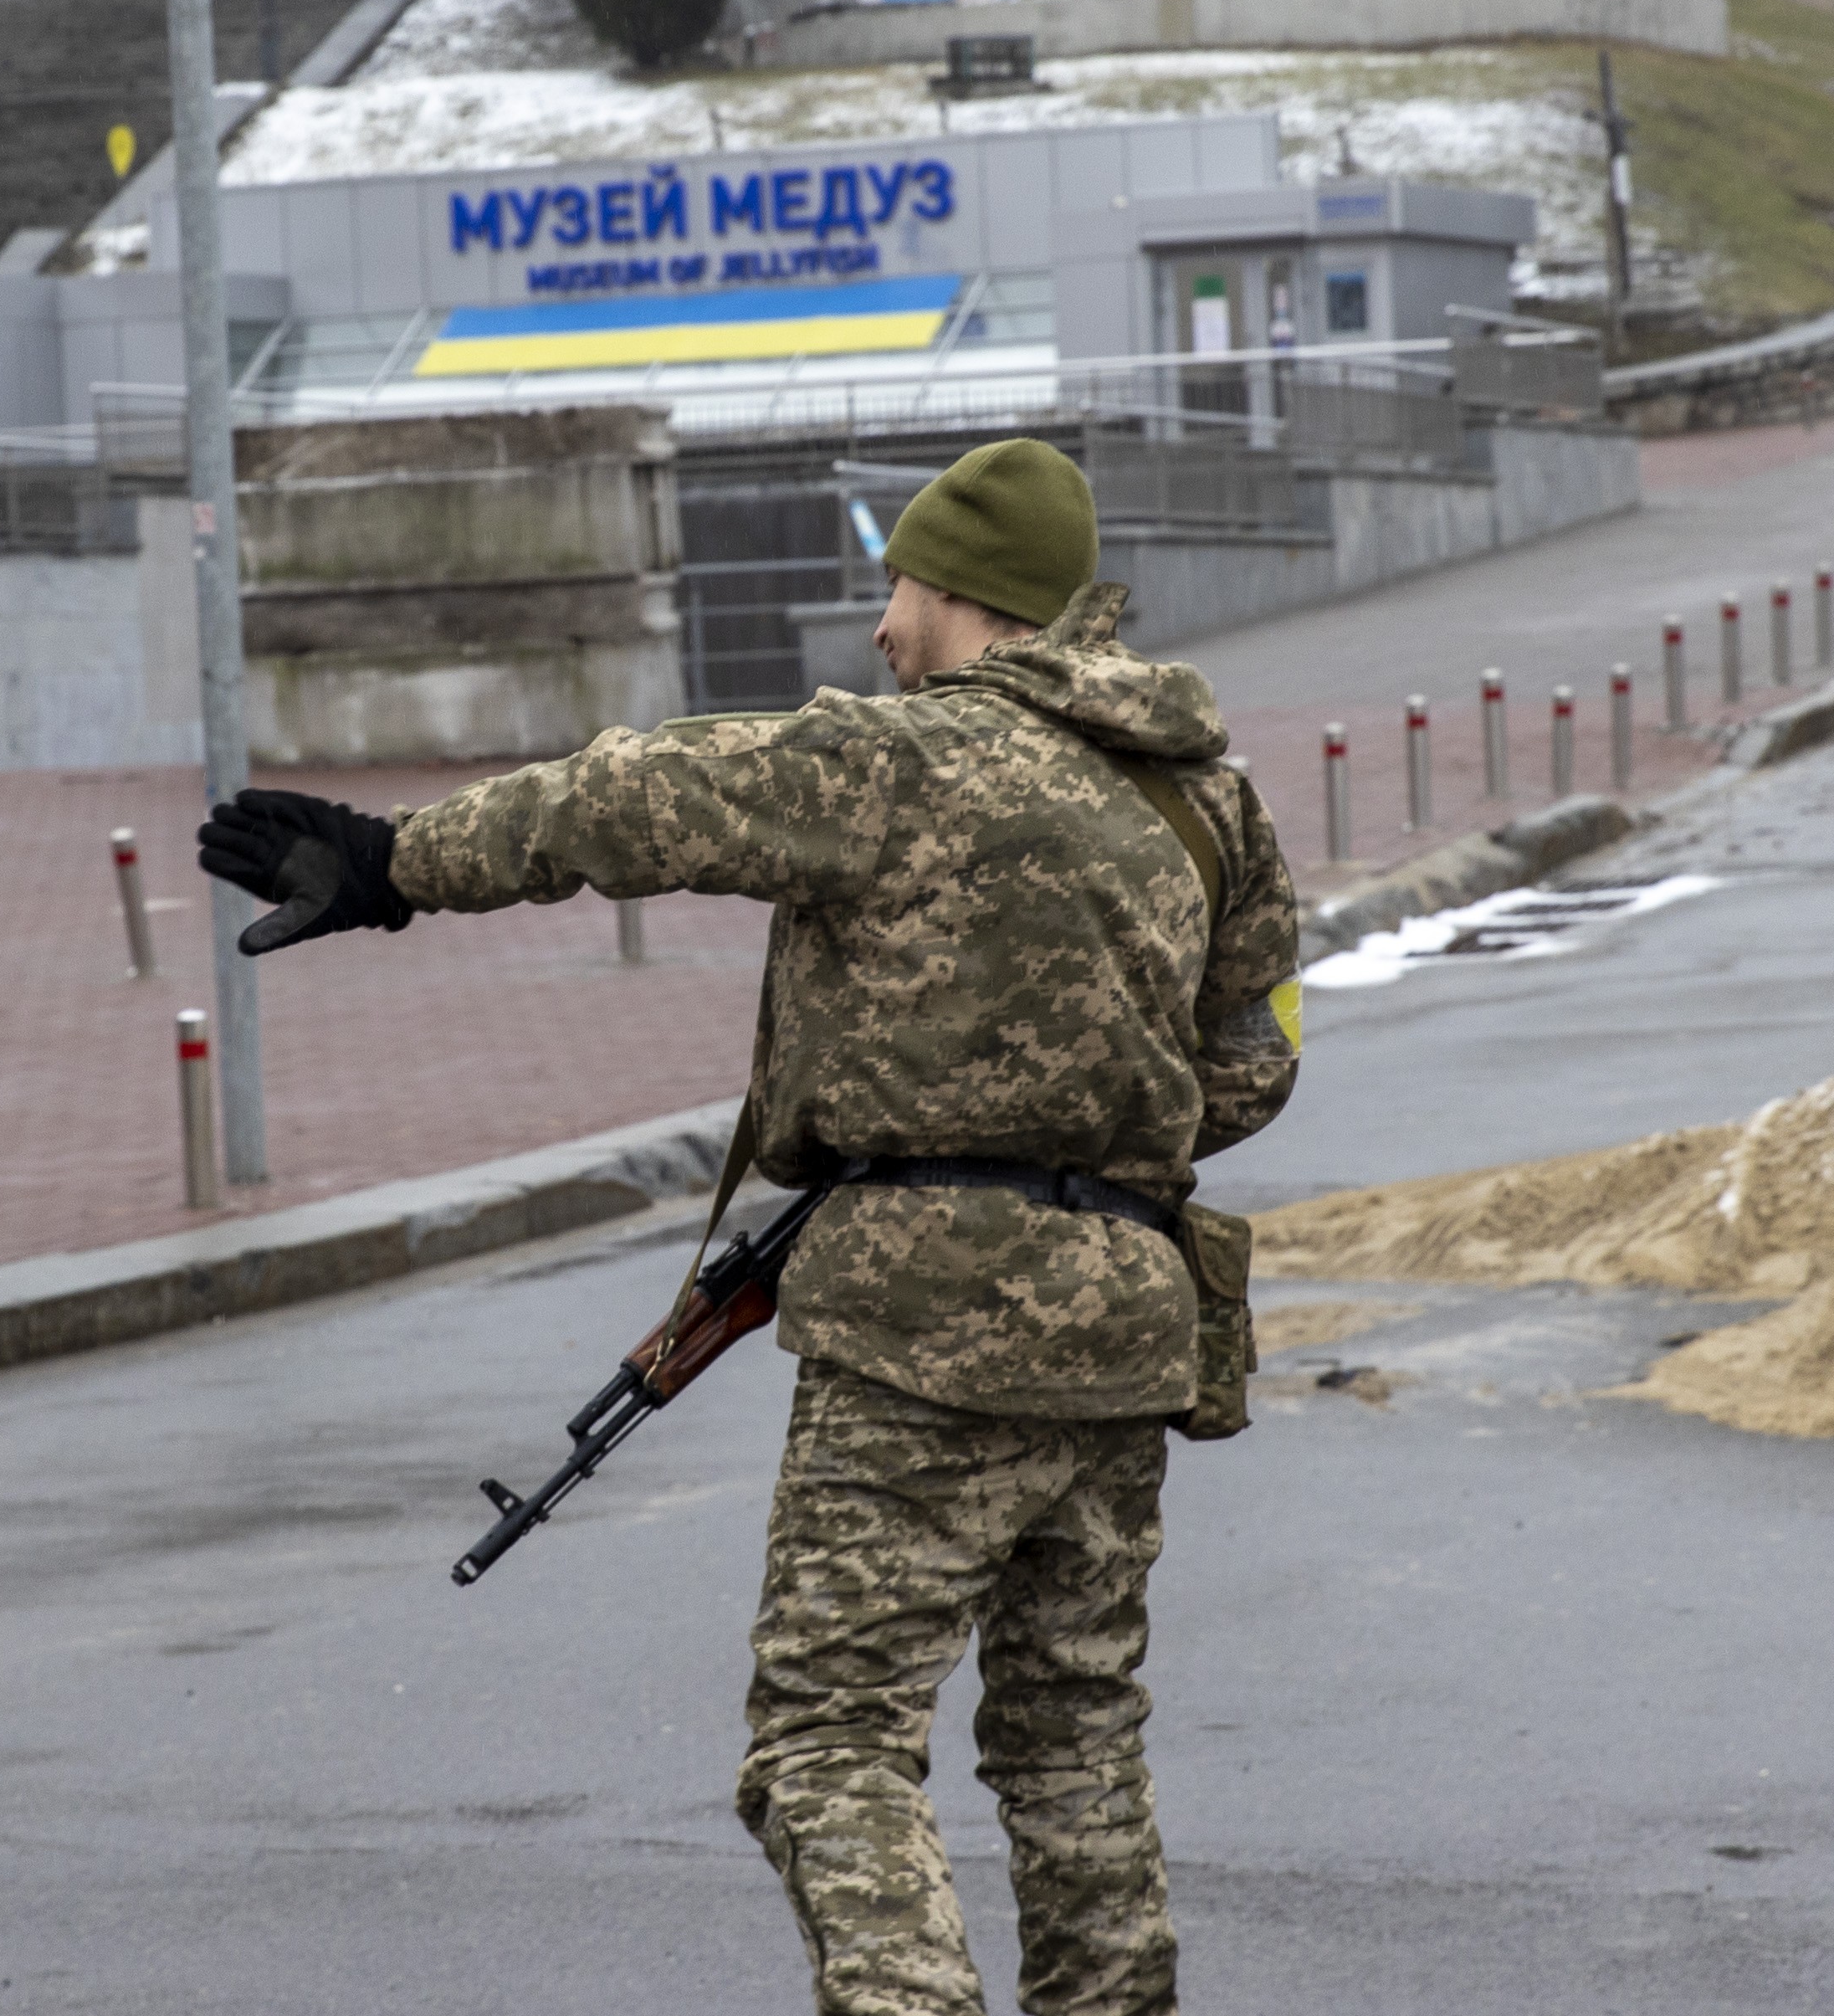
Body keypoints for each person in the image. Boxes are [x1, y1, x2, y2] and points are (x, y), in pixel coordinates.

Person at [200, 436, 1301, 2016]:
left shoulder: (895, 762)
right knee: (1076, 1737)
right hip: (1129, 1325)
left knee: (828, 1736)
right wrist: (1091, 1136)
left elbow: (631, 796)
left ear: (968, 598)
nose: (880, 631)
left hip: (919, 1323)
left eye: (900, 591)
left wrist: (394, 863)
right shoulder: (1209, 794)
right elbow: (1258, 1055)